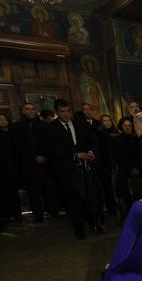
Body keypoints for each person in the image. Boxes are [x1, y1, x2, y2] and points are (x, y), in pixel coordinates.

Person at [46, 99, 98, 238]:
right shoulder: (51, 128)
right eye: (62, 112)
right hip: (66, 171)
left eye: (68, 111)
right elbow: (52, 150)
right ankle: (79, 229)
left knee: (90, 197)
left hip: (85, 168)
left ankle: (95, 223)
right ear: (57, 112)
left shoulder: (80, 124)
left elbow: (92, 140)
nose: (66, 114)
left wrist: (91, 151)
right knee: (73, 201)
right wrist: (75, 155)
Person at [12, 102, 55, 222]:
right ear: (23, 111)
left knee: (49, 189)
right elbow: (19, 145)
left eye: (32, 109)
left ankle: (53, 211)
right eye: (27, 109)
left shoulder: (44, 125)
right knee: (34, 190)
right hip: (29, 164)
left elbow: (50, 142)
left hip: (46, 163)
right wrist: (34, 156)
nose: (30, 111)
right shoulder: (17, 126)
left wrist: (45, 156)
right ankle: (38, 214)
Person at [111, 116, 141, 221]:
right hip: (124, 172)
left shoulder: (137, 139)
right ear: (121, 127)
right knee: (126, 197)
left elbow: (139, 155)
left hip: (137, 172)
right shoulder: (117, 140)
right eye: (125, 126)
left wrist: (136, 167)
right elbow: (118, 157)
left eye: (129, 125)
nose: (128, 128)